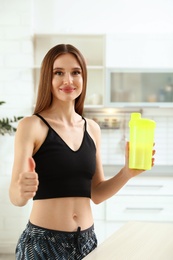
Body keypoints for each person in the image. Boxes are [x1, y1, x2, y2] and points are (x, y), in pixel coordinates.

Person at [9, 43, 155, 260]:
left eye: (75, 72)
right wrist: (22, 190)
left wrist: (127, 173)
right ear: (48, 79)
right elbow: (15, 196)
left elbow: (96, 193)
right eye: (59, 73)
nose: (68, 80)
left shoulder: (92, 128)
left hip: (87, 244)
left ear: (83, 78)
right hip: (42, 245)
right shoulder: (32, 126)